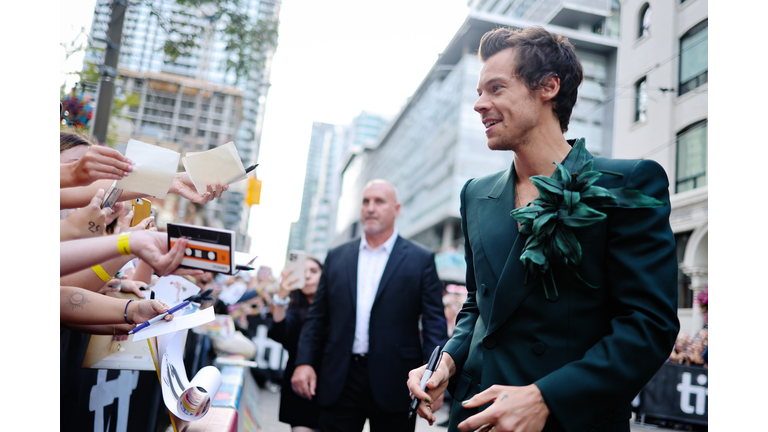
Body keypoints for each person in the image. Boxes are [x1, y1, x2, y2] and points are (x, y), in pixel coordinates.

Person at [407, 26, 679, 432]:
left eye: (496, 88)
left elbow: (648, 324)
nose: (480, 104)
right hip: (475, 416)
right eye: (479, 92)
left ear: (548, 87)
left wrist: (547, 397)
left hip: (572, 421)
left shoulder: (628, 184)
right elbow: (478, 304)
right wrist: (446, 359)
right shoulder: (474, 195)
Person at [291, 179, 447, 432]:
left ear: (396, 209)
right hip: (340, 377)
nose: (371, 208)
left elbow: (434, 324)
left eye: (379, 201)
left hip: (397, 381)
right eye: (366, 201)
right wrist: (304, 362)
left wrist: (434, 379)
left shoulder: (421, 260)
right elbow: (317, 317)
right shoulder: (337, 256)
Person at [268, 255, 324, 432]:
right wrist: (280, 299)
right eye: (303, 271)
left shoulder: (338, 309)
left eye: (314, 271)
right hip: (300, 390)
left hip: (333, 389)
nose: (307, 276)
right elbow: (280, 331)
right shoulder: (293, 310)